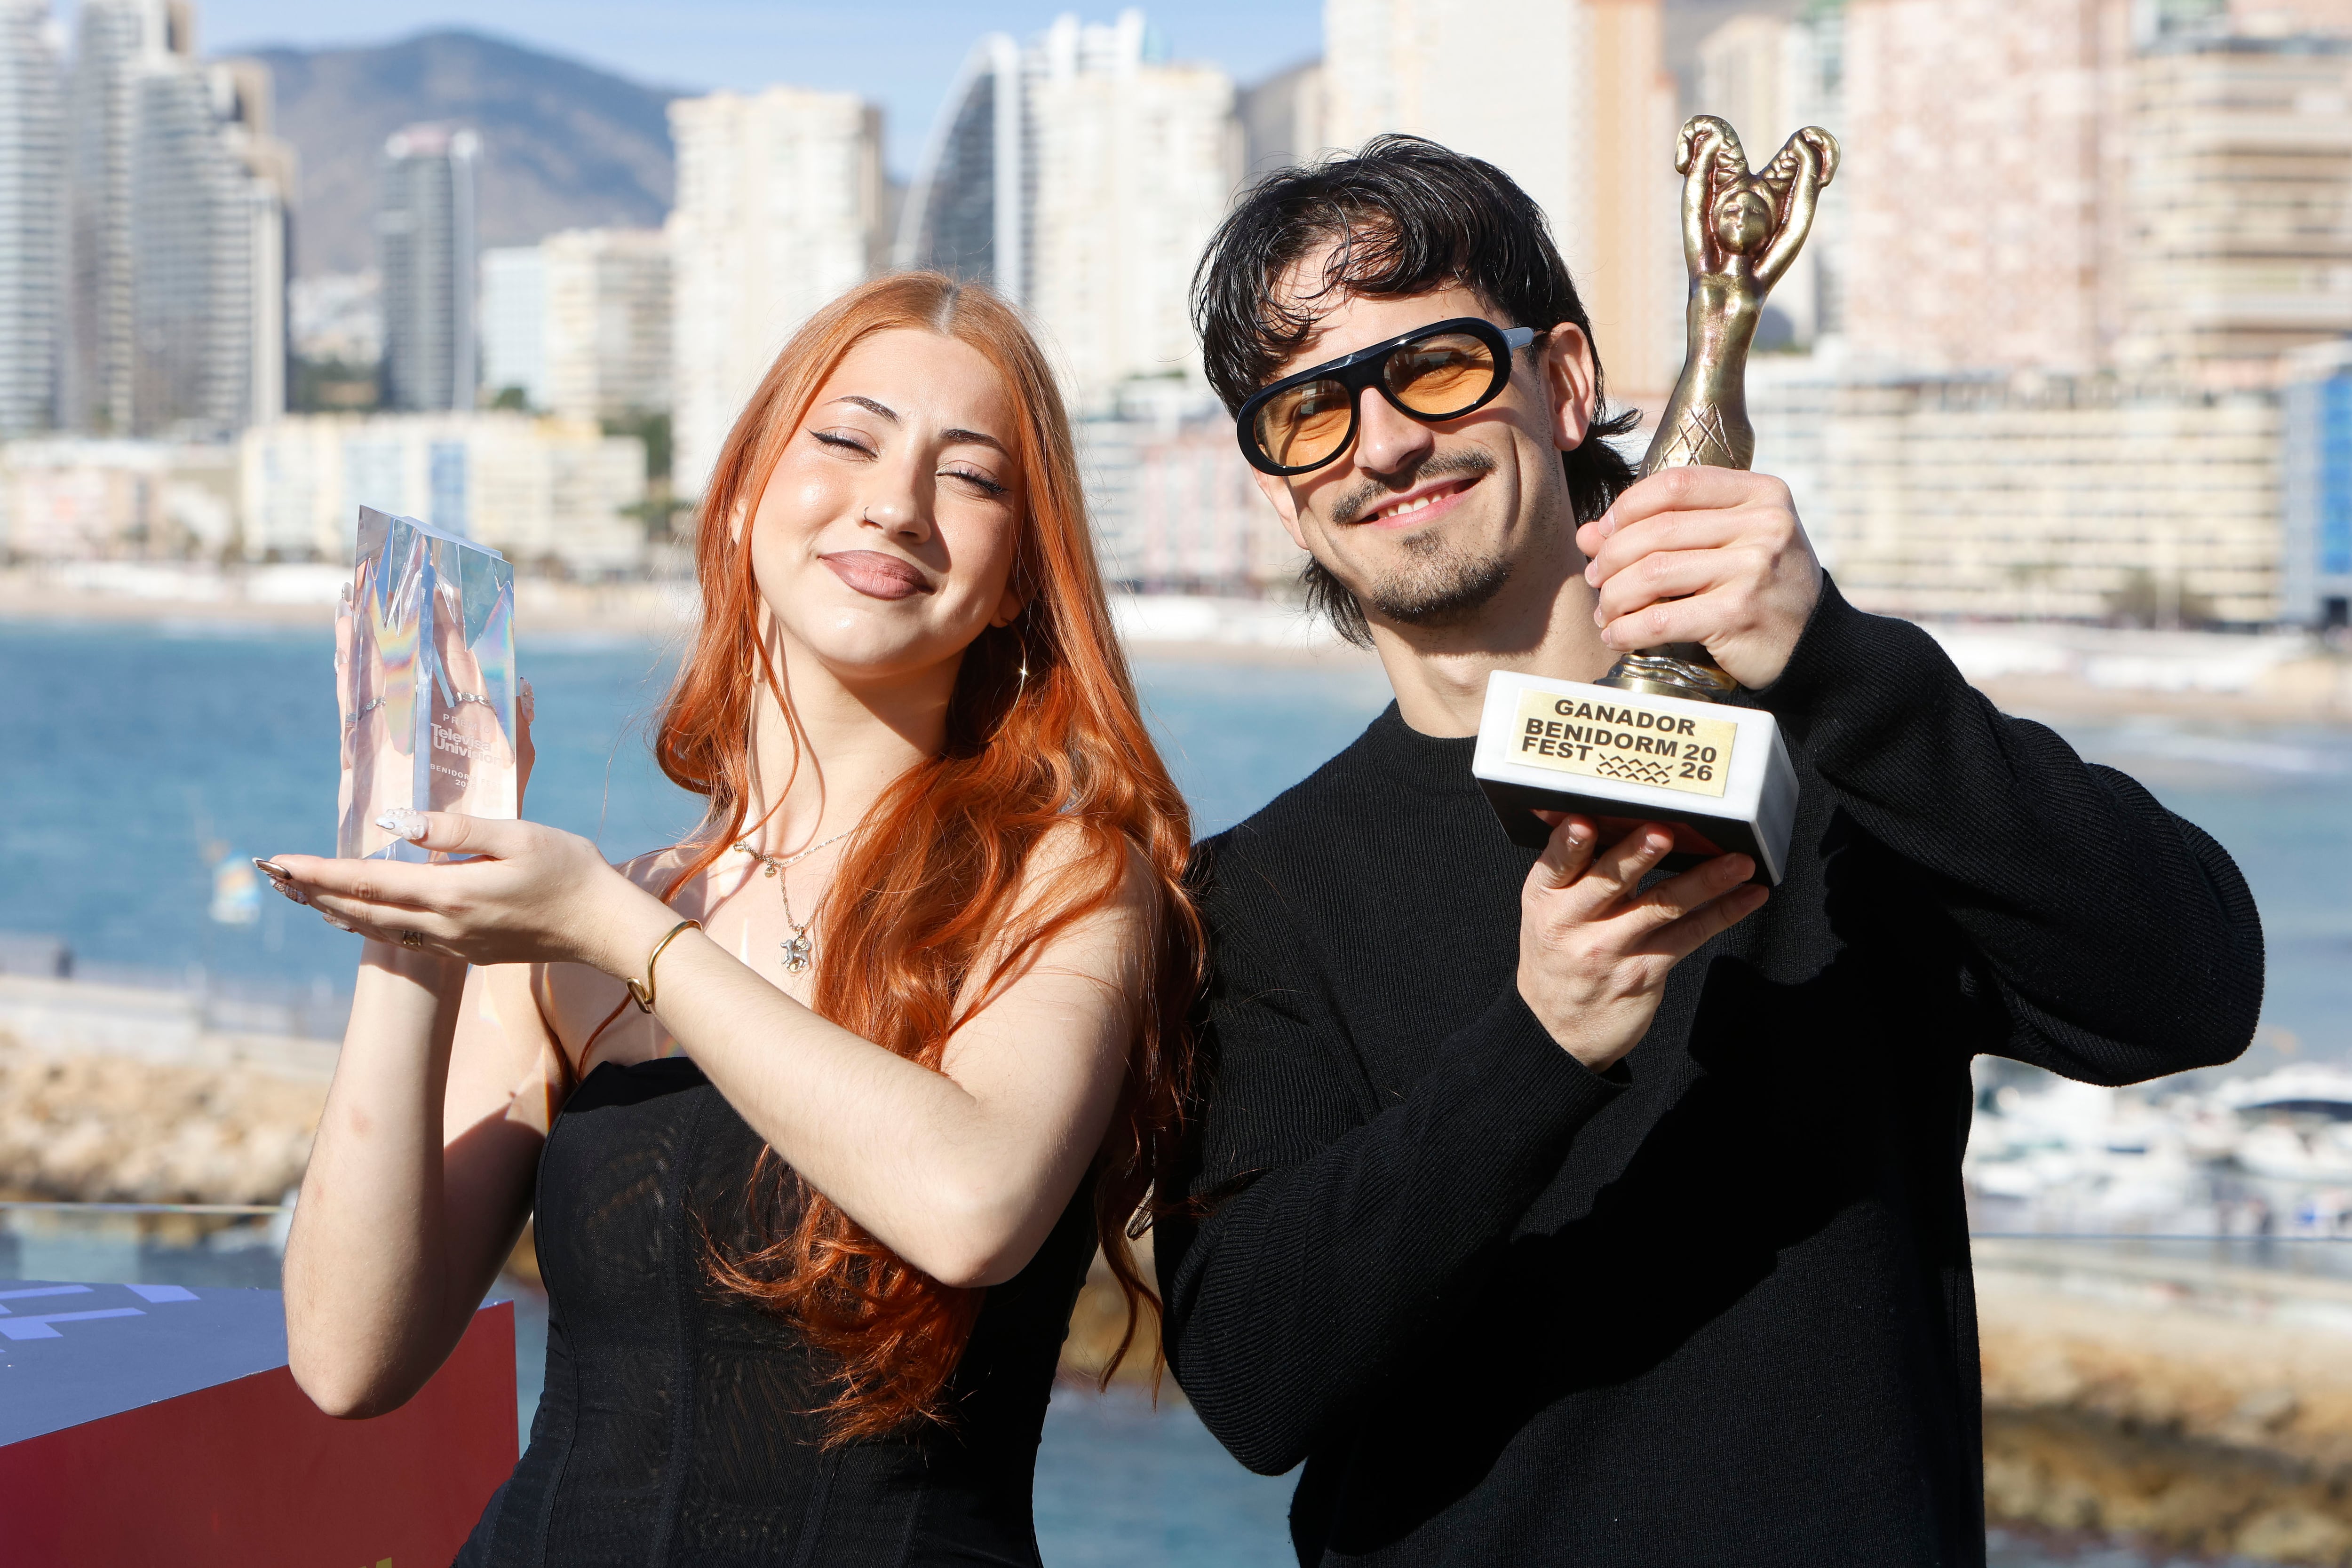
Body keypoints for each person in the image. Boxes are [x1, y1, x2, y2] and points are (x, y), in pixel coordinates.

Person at [1156, 135, 2261, 1566]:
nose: (1381, 445)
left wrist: (1840, 664)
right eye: (1307, 412)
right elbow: (1253, 1379)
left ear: (1562, 383)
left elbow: (2187, 987)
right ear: (1274, 487)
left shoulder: (1838, 750)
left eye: (1432, 368)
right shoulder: (1261, 895)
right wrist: (1541, 1047)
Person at [264, 272, 1200, 1567]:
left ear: (1014, 587)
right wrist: (412, 927)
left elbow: (971, 1203)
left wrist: (620, 933)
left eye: (970, 477)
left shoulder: (1067, 882)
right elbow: (346, 1356)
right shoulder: (588, 924)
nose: (896, 501)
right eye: (848, 438)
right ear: (749, 492)